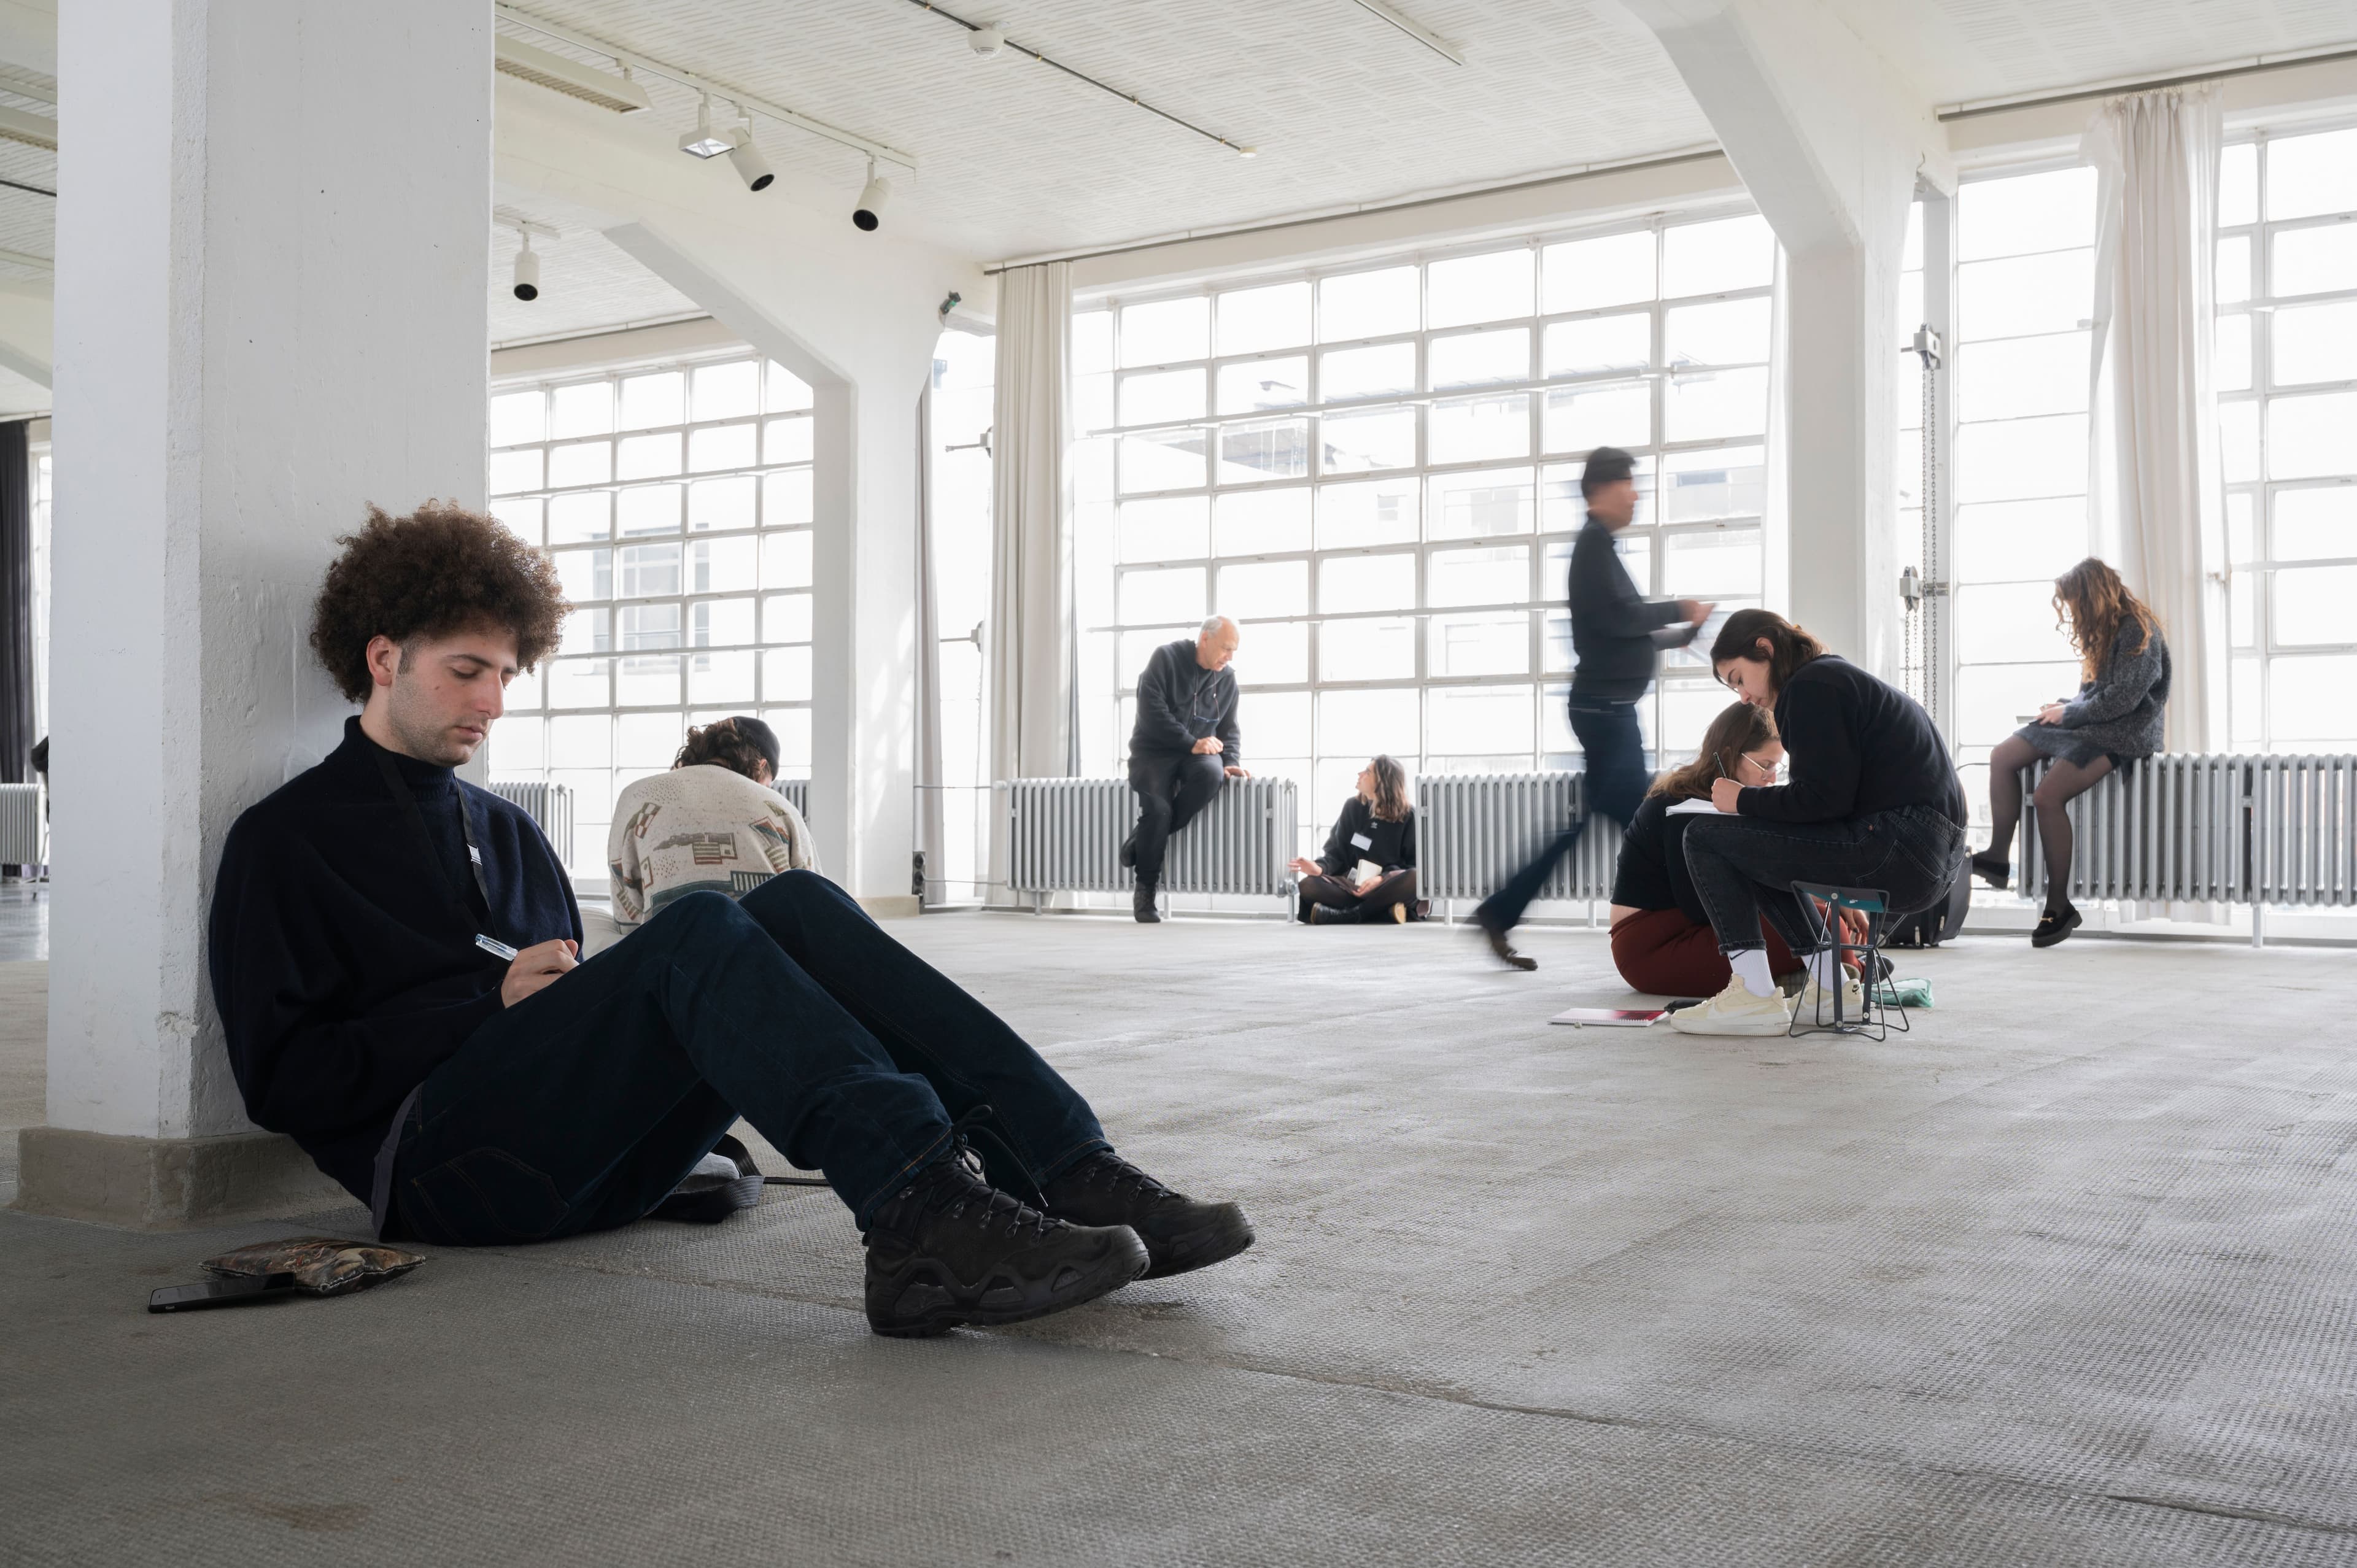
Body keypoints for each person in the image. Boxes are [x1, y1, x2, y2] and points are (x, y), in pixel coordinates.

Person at [208, 502, 1252, 1340]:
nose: (491, 702)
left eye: (506, 676)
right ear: (384, 659)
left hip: (589, 1154)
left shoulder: (507, 831)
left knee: (791, 902)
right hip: (442, 1177)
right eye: (465, 672)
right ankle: (919, 1214)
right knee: (701, 924)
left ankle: (1064, 1163)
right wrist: (482, 1002)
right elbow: (284, 1081)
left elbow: (574, 1017)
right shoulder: (288, 840)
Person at [1666, 610, 1967, 1036]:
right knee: (1761, 845)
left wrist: (1742, 799)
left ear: (1764, 649)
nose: (1743, 697)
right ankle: (1831, 987)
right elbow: (1832, 799)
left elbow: (1822, 799)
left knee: (1704, 836)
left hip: (1902, 847)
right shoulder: (1831, 679)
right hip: (1930, 855)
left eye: (1738, 678)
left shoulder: (1809, 688)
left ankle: (1753, 993)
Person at [1473, 447, 1709, 969]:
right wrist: (1677, 609)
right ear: (1602, 489)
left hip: (1609, 711)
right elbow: (1623, 619)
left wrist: (1682, 632)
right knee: (1652, 815)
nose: (1636, 495)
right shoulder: (1591, 549)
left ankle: (1499, 910)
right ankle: (1700, 915)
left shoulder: (1602, 549)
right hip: (1606, 713)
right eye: (1629, 483)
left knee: (1600, 822)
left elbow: (1625, 631)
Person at [1971, 558, 2170, 948]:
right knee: (2003, 756)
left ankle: (2059, 906)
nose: (2072, 612)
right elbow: (2094, 694)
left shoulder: (2137, 632)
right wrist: (2063, 707)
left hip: (2124, 733)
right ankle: (1996, 857)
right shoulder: (2104, 631)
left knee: (2047, 797)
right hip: (2096, 722)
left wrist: (2071, 713)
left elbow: (2125, 701)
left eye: (2075, 602)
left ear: (2093, 596)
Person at [1609, 705, 1803, 995]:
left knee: (1820, 916)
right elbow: (1700, 908)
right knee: (1821, 926)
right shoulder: (1680, 806)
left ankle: (1806, 977)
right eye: (1766, 765)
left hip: (1697, 931)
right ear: (1728, 756)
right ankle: (1841, 975)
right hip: (1653, 947)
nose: (1773, 778)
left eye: (1778, 766)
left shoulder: (1734, 803)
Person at [609, 716, 819, 927]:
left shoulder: (635, 796)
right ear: (762, 766)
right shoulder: (780, 808)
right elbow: (814, 903)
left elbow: (626, 912)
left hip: (668, 950)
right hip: (760, 951)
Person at [1121, 615, 1247, 924]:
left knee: (1212, 775)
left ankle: (1140, 840)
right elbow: (1152, 713)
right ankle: (1145, 892)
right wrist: (1191, 742)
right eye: (1226, 649)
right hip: (1154, 751)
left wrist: (1231, 761)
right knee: (1158, 811)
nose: (1229, 657)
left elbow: (1228, 728)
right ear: (1205, 639)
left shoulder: (1227, 679)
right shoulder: (1166, 658)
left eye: (1234, 651)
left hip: (1196, 754)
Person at [1288, 755, 1418, 925]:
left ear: (1383, 782)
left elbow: (1413, 865)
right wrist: (1318, 868)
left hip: (1386, 885)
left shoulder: (1408, 816)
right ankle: (1384, 912)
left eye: (1368, 772)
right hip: (1352, 886)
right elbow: (1337, 854)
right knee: (1308, 885)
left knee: (1415, 878)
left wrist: (1382, 879)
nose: (1360, 774)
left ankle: (1350, 914)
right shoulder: (1352, 807)